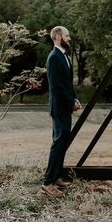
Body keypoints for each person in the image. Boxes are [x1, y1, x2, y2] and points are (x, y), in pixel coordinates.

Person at [42, 26, 82, 197]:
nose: (69, 38)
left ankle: (56, 177)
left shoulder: (64, 56)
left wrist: (75, 98)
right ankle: (47, 183)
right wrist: (69, 102)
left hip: (65, 106)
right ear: (58, 37)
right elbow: (56, 87)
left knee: (63, 143)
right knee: (58, 144)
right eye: (67, 36)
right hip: (59, 108)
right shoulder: (53, 57)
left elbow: (67, 83)